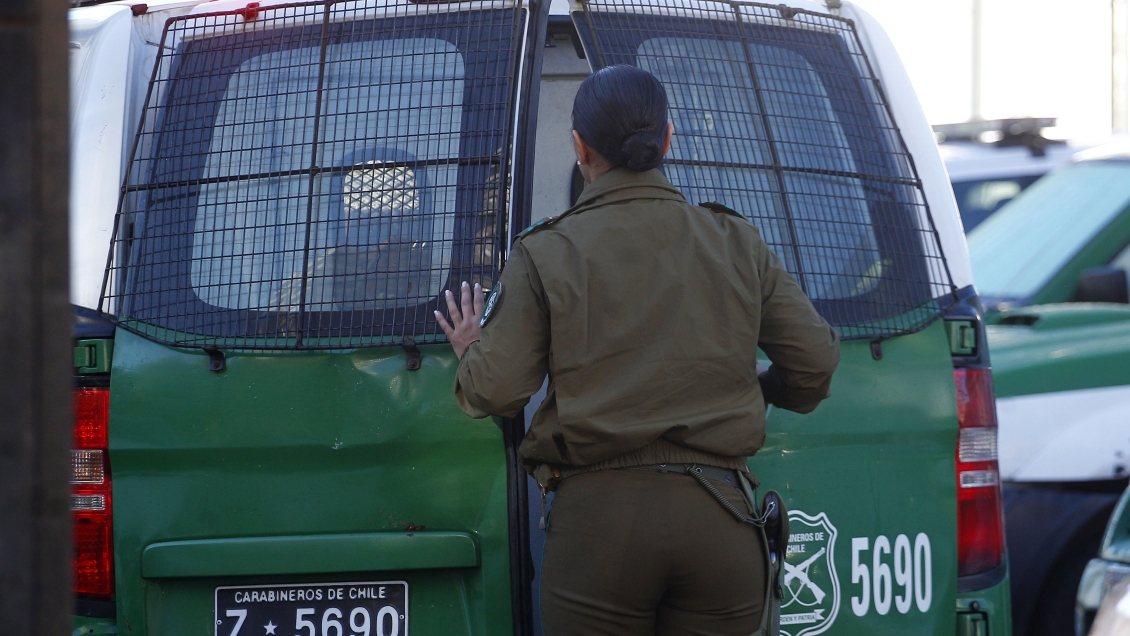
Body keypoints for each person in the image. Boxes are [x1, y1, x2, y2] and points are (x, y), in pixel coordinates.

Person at [434, 65, 840, 636]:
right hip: (722, 520)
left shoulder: (546, 251)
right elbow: (815, 363)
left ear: (580, 147)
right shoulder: (735, 240)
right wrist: (763, 385)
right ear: (667, 139)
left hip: (600, 533)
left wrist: (473, 347)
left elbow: (495, 391)